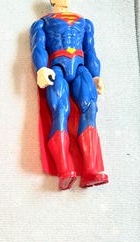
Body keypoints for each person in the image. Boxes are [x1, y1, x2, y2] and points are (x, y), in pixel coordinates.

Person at [30, 0, 108, 189]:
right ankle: (64, 169)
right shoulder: (43, 22)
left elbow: (90, 50)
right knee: (60, 111)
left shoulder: (85, 22)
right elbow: (38, 47)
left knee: (91, 108)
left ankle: (90, 169)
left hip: (80, 68)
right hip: (57, 66)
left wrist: (96, 75)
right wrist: (41, 68)